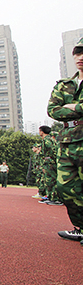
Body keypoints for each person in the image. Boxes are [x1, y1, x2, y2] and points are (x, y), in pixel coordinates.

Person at [48, 38, 83, 243]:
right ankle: (80, 227)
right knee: (65, 187)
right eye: (77, 52)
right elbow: (53, 110)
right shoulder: (64, 85)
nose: (80, 57)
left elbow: (63, 109)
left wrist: (73, 107)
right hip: (68, 140)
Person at [38, 125, 61, 205]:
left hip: (49, 163)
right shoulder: (49, 139)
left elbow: (52, 151)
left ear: (42, 132)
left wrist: (51, 160)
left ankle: (55, 198)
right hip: (49, 162)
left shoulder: (47, 140)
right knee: (49, 181)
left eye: (40, 131)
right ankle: (51, 197)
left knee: (51, 181)